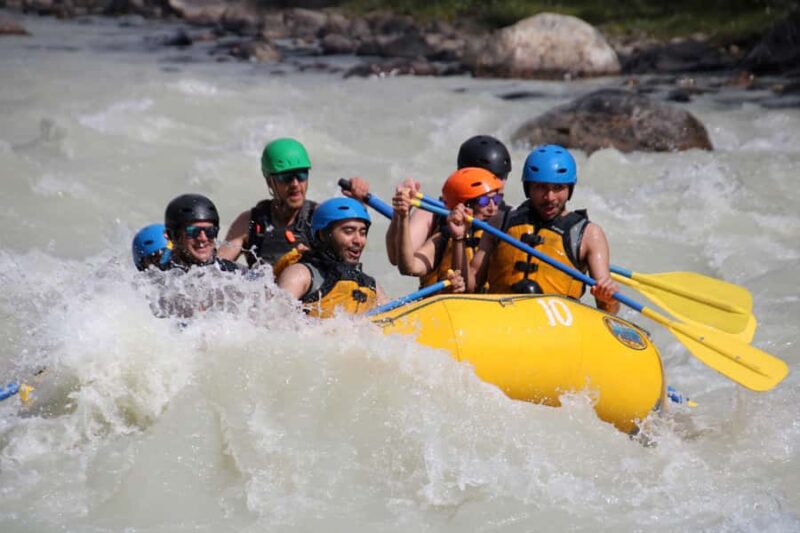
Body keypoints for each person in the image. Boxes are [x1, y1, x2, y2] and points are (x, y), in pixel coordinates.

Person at [460, 145, 620, 314]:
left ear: (570, 189)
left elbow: (608, 311)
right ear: (528, 187)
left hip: (556, 325)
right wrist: (458, 239)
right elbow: (471, 284)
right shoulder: (500, 222)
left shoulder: (589, 235)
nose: (550, 197)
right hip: (502, 316)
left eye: (558, 188)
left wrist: (608, 298)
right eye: (541, 187)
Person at [383, 135, 512, 267]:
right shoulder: (432, 212)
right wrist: (400, 215)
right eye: (495, 176)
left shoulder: (509, 217)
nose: (501, 185)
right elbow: (396, 259)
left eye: (504, 176)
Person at [392, 167, 503, 290]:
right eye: (484, 201)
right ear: (464, 205)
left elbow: (471, 287)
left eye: (497, 199)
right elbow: (409, 267)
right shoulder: (444, 237)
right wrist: (402, 217)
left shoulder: (500, 232)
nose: (493, 208)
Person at [218, 137, 318, 269]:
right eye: (286, 177)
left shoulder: (320, 217)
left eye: (301, 175)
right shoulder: (250, 222)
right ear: (269, 181)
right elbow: (216, 269)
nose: (295, 184)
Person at [163, 194, 242, 272]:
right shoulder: (160, 280)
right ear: (173, 236)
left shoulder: (237, 274)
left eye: (210, 230)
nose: (203, 238)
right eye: (193, 231)